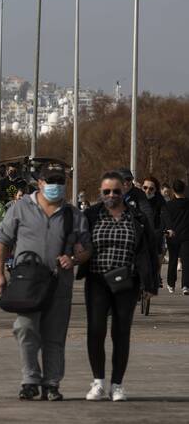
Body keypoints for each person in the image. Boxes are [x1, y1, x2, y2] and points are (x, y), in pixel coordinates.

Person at [0, 165, 92, 401]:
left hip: (59, 284)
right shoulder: (20, 208)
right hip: (27, 282)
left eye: (60, 181)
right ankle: (30, 379)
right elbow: (2, 242)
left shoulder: (73, 215)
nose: (55, 185)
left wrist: (74, 258)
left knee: (55, 336)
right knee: (25, 328)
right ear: (39, 183)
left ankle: (51, 383)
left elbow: (87, 249)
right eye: (50, 180)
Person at [79, 171, 159, 402]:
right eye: (106, 191)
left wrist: (150, 283)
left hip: (127, 281)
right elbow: (77, 242)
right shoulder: (91, 215)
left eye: (116, 191)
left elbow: (148, 251)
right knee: (96, 330)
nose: (111, 195)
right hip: (97, 280)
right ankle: (98, 382)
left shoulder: (137, 217)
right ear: (100, 193)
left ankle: (117, 384)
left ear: (124, 191)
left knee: (121, 332)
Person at [164, 179, 189, 295]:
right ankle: (185, 286)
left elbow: (166, 219)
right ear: (184, 189)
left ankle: (171, 284)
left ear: (173, 190)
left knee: (173, 260)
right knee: (186, 261)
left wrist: (168, 229)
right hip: (186, 236)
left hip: (172, 235)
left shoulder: (168, 205)